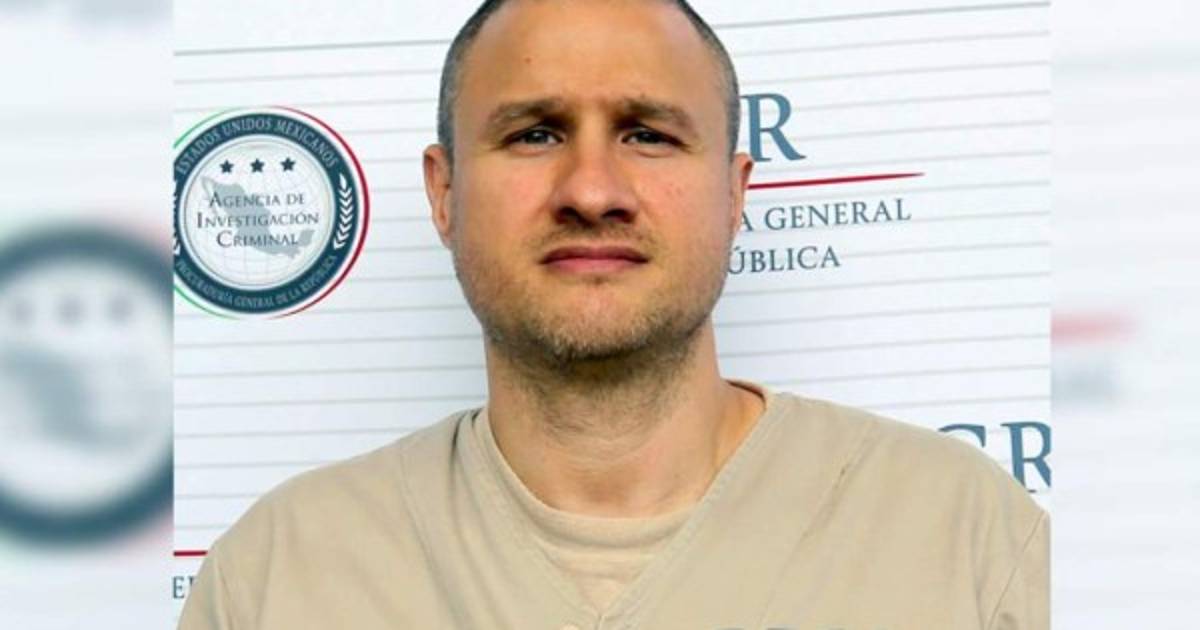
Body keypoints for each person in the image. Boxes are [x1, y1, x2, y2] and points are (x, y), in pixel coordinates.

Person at [179, 0, 1048, 628]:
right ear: (444, 194)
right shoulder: (279, 578)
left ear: (734, 193)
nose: (592, 192)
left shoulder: (966, 540)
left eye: (648, 135)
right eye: (534, 133)